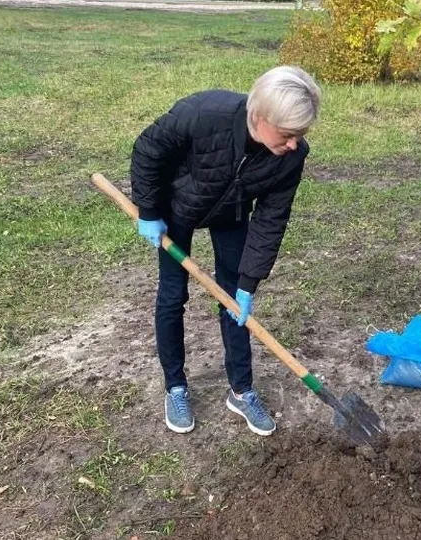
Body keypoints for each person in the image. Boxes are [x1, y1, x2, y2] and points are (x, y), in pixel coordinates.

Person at [130, 66, 322, 435]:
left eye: (301, 134)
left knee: (235, 303)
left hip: (231, 213)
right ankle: (175, 386)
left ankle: (242, 390)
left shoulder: (291, 156)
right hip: (177, 208)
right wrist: (150, 211)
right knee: (172, 295)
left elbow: (271, 218)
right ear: (260, 117)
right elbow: (148, 150)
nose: (294, 143)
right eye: (287, 134)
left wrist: (249, 281)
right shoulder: (203, 114)